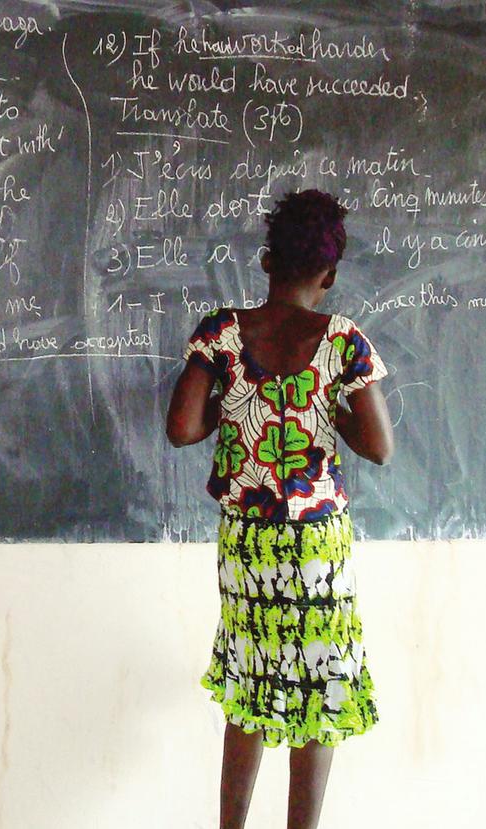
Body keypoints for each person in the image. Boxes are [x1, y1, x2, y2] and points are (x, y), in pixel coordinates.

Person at [166, 189, 394, 829]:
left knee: (250, 683)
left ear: (266, 262)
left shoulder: (222, 333)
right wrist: (324, 406)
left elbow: (182, 429)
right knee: (319, 693)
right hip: (317, 545)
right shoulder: (342, 341)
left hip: (248, 544)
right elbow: (379, 447)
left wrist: (241, 407)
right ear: (329, 274)